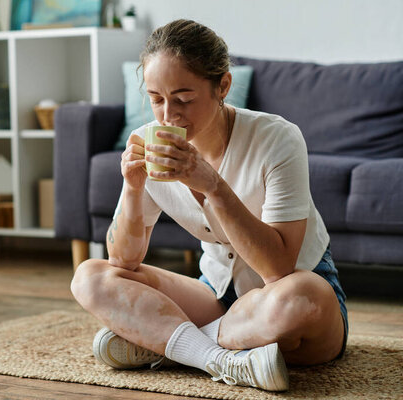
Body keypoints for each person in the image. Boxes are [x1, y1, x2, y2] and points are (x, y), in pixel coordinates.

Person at [70, 19, 347, 392]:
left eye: (183, 98)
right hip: (215, 295)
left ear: (223, 86)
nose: (169, 115)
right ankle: (217, 358)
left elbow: (279, 268)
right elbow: (123, 262)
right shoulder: (146, 142)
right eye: (155, 99)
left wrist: (212, 185)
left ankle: (170, 344)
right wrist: (133, 188)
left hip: (288, 296)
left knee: (299, 299)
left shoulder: (277, 138)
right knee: (91, 277)